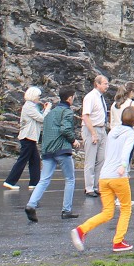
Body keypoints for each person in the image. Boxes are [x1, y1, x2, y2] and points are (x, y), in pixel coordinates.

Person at [70, 105, 134, 253]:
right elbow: (127, 151)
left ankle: (81, 230)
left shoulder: (113, 131)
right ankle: (118, 241)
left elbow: (108, 152)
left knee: (107, 212)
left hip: (104, 175)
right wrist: (123, 166)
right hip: (118, 176)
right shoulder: (131, 134)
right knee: (126, 207)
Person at [26, 87, 81, 221]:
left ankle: (31, 204)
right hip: (62, 149)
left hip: (48, 150)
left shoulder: (50, 113)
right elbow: (65, 129)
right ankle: (66, 210)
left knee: (44, 179)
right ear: (69, 98)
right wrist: (74, 141)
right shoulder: (66, 111)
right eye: (73, 97)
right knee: (70, 179)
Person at [3, 86, 48, 191]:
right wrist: (47, 110)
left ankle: (34, 183)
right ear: (33, 96)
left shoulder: (32, 106)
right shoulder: (29, 106)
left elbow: (37, 116)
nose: (39, 98)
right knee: (23, 160)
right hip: (28, 137)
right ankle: (10, 181)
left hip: (30, 137)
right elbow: (41, 118)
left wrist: (44, 110)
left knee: (35, 160)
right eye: (38, 96)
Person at [81, 74, 110, 198]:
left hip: (102, 129)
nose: (107, 86)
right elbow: (85, 116)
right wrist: (93, 133)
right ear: (97, 84)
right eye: (105, 83)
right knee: (90, 160)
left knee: (102, 159)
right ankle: (89, 187)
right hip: (92, 129)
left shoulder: (101, 98)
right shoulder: (90, 97)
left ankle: (97, 185)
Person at [109, 81, 134, 162]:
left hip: (116, 136)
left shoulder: (115, 104)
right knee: (126, 159)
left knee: (116, 160)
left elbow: (112, 124)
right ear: (131, 92)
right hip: (128, 135)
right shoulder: (132, 104)